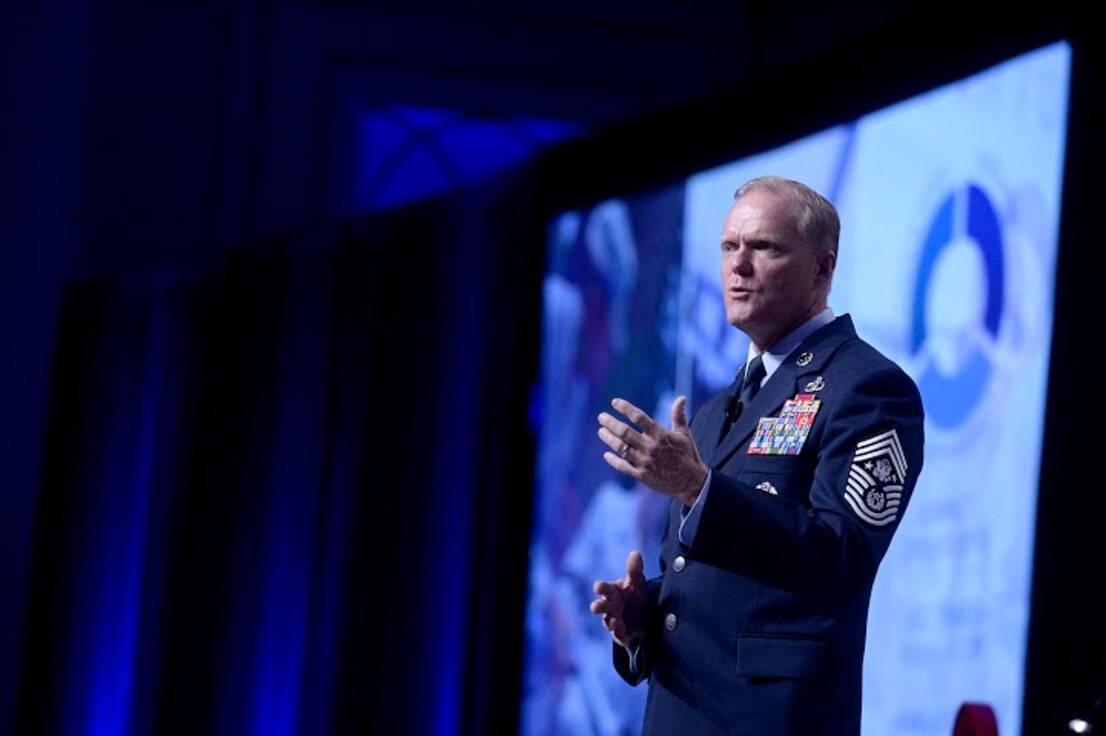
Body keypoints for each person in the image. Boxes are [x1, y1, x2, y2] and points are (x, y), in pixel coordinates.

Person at [590, 176, 925, 735]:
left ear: (822, 269)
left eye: (763, 247)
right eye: (728, 247)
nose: (737, 266)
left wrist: (701, 491)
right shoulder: (712, 411)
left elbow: (839, 557)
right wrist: (645, 613)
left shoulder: (867, 388)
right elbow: (717, 583)